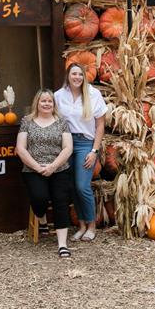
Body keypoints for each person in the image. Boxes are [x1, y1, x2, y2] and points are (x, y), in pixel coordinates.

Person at [16, 89, 74, 258]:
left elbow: (68, 147)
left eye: (50, 101)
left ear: (54, 104)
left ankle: (62, 245)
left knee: (61, 201)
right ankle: (41, 218)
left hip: (59, 168)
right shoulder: (27, 121)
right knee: (39, 197)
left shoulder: (62, 122)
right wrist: (38, 167)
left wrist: (52, 167)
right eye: (43, 101)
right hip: (33, 169)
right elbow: (21, 148)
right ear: (37, 103)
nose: (47, 104)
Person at [54, 63, 107, 242]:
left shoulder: (93, 94)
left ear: (84, 77)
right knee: (72, 186)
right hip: (66, 143)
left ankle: (92, 226)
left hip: (85, 143)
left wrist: (94, 151)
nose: (77, 77)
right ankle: (82, 226)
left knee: (82, 186)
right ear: (68, 76)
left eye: (80, 74)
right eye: (74, 74)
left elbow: (100, 125)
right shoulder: (59, 95)